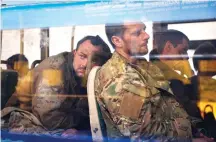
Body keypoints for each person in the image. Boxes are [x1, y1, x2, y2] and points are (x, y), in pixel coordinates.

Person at [94, 22, 213, 141]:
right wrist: (189, 138)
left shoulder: (144, 67)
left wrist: (193, 131)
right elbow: (142, 133)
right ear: (117, 41)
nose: (146, 35)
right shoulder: (119, 78)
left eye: (144, 30)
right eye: (137, 33)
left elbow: (168, 108)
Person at [3, 35, 111, 136]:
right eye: (82, 56)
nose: (85, 64)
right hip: (22, 118)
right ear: (74, 53)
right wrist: (83, 126)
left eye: (94, 60)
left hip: (60, 118)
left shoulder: (87, 73)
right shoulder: (54, 70)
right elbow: (50, 119)